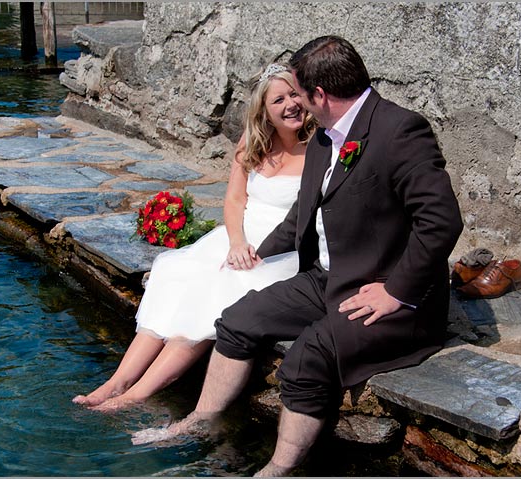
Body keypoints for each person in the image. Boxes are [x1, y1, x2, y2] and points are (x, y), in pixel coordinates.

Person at [131, 35, 464, 476]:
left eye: (301, 93)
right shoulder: (327, 137)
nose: (298, 104)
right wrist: (253, 255)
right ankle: (200, 421)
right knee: (236, 319)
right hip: (326, 277)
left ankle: (276, 470)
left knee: (306, 358)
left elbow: (441, 222)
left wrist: (397, 292)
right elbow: (301, 216)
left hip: (386, 295)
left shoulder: (401, 131)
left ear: (320, 95)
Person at [72, 63, 316, 411]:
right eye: (279, 100)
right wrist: (235, 241)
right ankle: (117, 382)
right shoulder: (254, 141)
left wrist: (249, 251)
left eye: (294, 94)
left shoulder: (321, 149)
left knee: (211, 296)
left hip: (280, 250)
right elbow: (233, 199)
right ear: (265, 111)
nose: (290, 104)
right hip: (239, 237)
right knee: (178, 276)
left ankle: (136, 396)